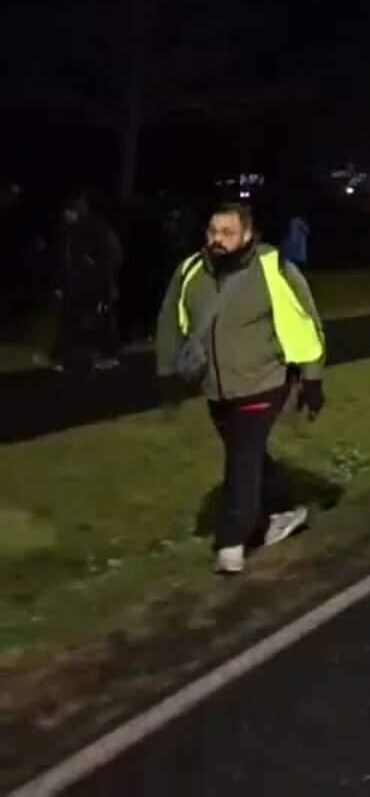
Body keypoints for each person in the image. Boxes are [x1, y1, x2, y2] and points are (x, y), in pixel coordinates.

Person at [155, 203, 325, 575]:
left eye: (227, 232)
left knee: (241, 460)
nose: (217, 239)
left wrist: (312, 378)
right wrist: (167, 375)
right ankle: (282, 510)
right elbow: (170, 323)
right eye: (212, 231)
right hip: (216, 389)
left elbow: (304, 323)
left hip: (264, 382)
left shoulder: (273, 268)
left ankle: (231, 541)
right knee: (246, 455)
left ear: (247, 235)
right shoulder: (190, 272)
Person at [52, 193, 124, 372]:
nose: (67, 214)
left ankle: (109, 355)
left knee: (101, 320)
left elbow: (110, 257)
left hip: (96, 285)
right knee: (70, 319)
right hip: (77, 285)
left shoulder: (95, 228)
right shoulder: (69, 230)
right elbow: (66, 261)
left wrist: (100, 278)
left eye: (71, 210)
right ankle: (60, 356)